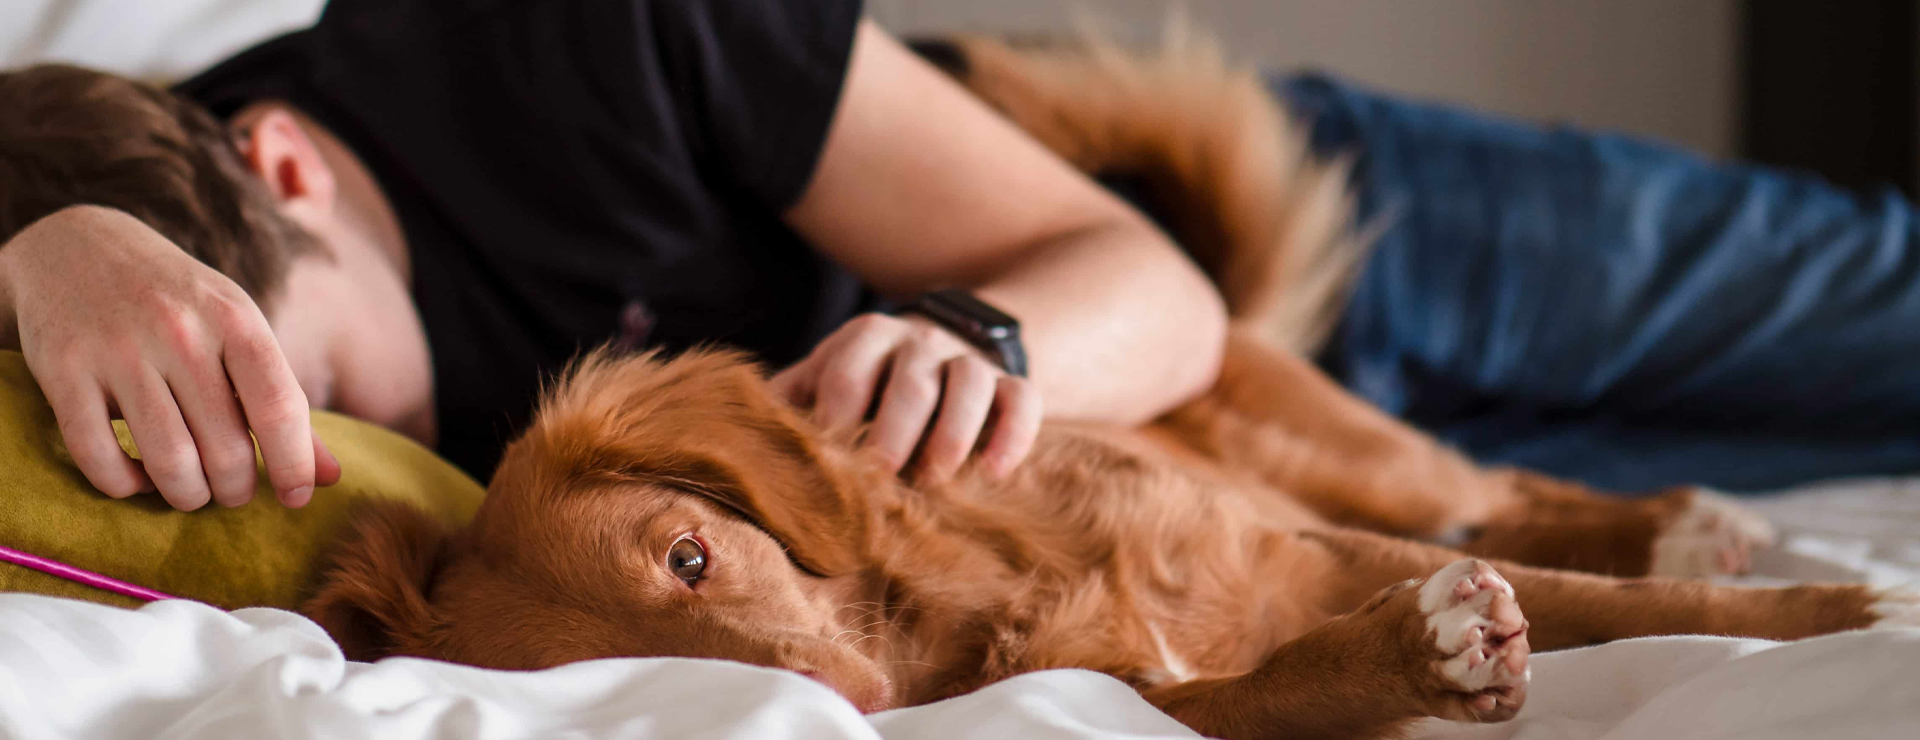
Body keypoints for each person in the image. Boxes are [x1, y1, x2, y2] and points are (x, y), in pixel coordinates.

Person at [0, 0, 1227, 512]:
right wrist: (36, 253)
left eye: (311, 397)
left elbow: (1164, 287)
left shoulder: (587, 34)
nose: (331, 469)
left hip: (1159, 155)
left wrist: (966, 338)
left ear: (285, 172)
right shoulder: (69, 261)